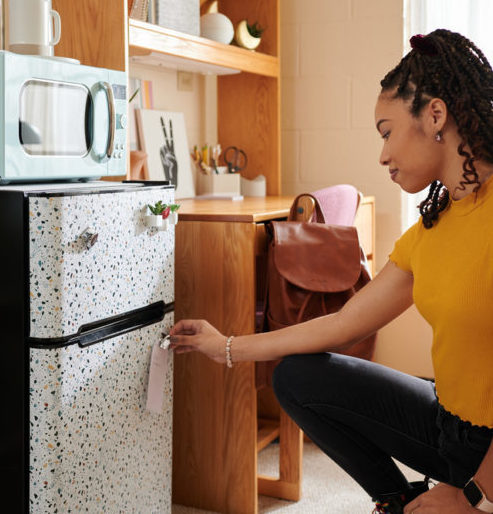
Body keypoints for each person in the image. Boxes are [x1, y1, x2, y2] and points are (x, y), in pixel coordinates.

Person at [168, 29, 493, 514]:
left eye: (387, 132)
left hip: (487, 454)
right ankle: (401, 502)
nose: (382, 154)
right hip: (452, 427)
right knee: (296, 377)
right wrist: (228, 347)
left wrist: (474, 496)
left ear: (436, 115)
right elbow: (342, 325)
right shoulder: (433, 227)